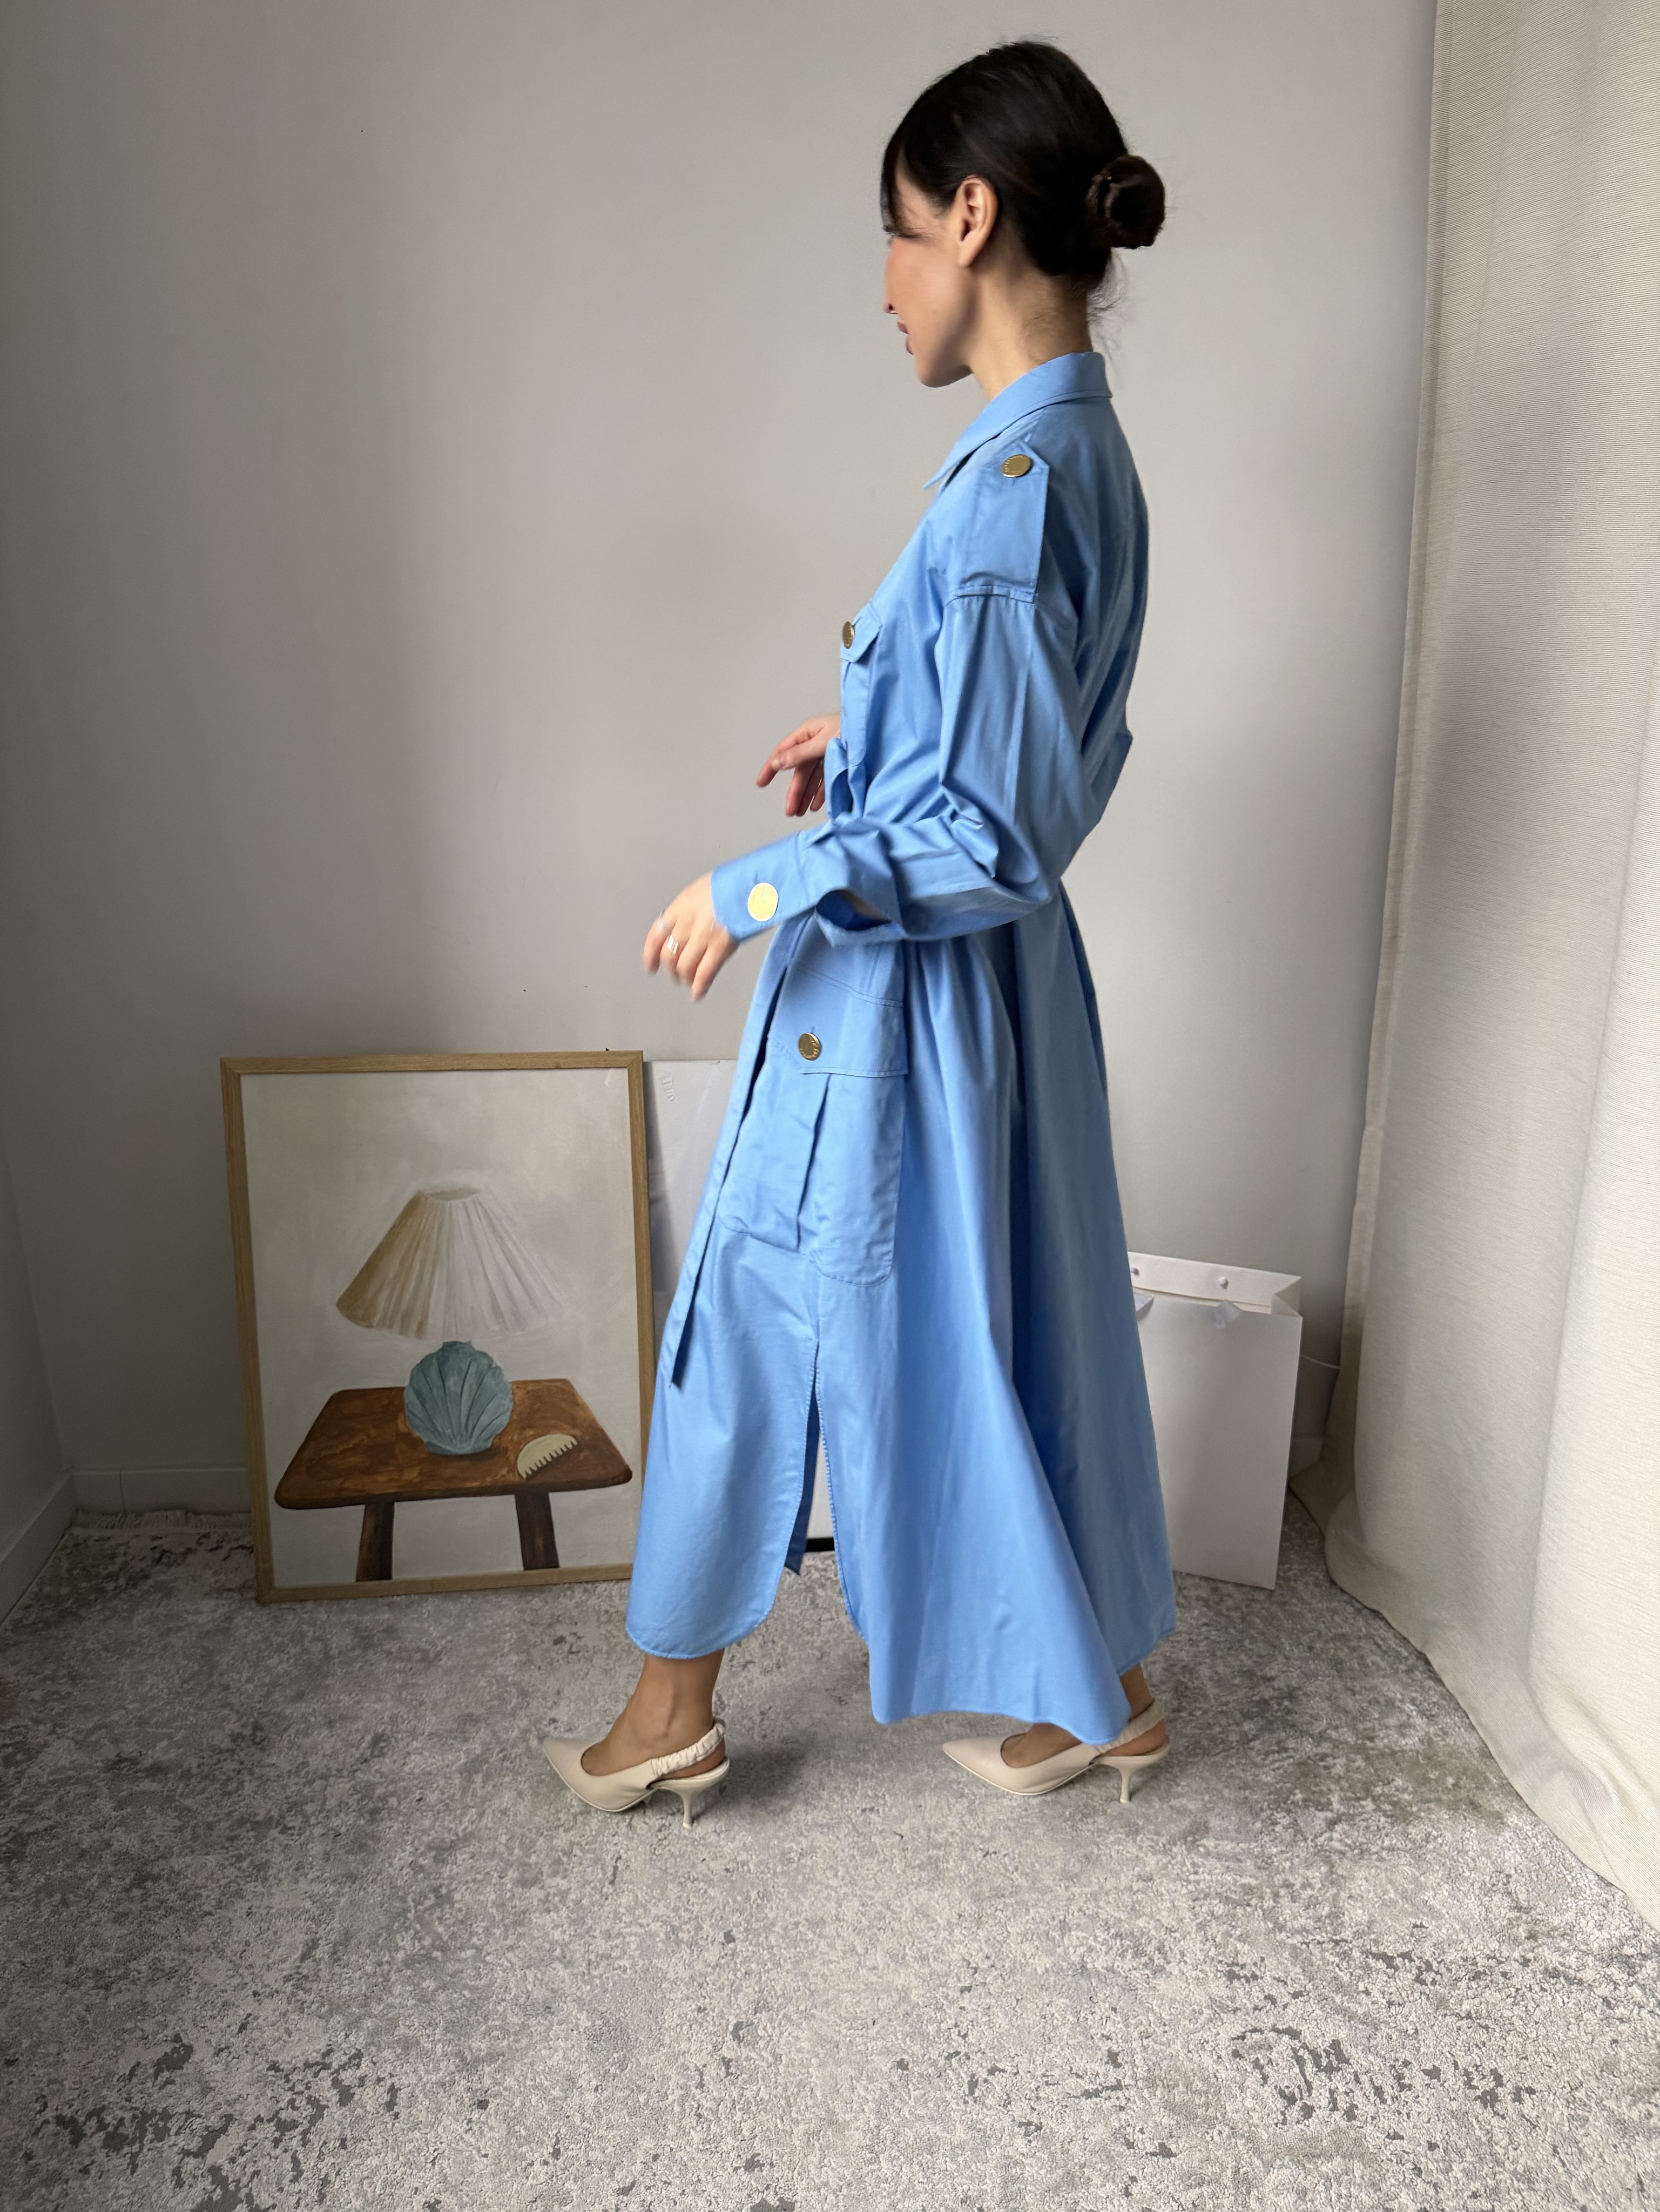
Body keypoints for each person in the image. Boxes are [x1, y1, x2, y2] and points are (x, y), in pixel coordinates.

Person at [543, 39, 1176, 1826]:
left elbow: (988, 831)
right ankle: (1111, 1692)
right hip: (988, 992)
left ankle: (666, 1712)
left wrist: (757, 883)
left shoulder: (1003, 495)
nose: (883, 281)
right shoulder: (1078, 454)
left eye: (895, 234)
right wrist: (877, 735)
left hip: (895, 1000)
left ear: (970, 219)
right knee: (1008, 1320)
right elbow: (1021, 755)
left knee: (748, 1308)